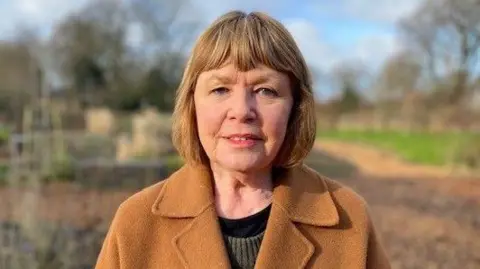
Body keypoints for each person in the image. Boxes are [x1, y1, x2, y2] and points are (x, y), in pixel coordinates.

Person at [94, 10, 391, 269]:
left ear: (295, 108)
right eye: (220, 89)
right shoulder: (136, 224)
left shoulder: (348, 219)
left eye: (266, 91)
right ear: (192, 104)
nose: (241, 111)